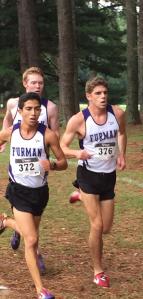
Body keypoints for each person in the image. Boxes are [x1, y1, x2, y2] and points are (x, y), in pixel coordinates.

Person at [60, 76, 127, 288]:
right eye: (98, 93)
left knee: (106, 228)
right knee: (96, 225)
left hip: (108, 177)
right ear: (88, 96)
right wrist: (76, 152)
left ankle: (79, 196)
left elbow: (122, 133)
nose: (103, 97)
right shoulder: (79, 120)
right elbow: (61, 147)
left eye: (105, 93)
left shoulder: (117, 114)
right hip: (88, 176)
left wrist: (121, 154)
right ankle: (98, 271)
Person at [0, 92, 67, 299]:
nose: (33, 113)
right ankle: (41, 290)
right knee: (31, 239)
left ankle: (5, 222)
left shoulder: (47, 135)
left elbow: (63, 162)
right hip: (18, 190)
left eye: (37, 109)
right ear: (20, 111)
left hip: (39, 193)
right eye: (28, 109)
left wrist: (52, 165)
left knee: (32, 238)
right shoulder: (10, 133)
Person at [0, 67, 59, 272]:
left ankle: (12, 225)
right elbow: (7, 121)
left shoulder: (50, 107)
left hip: (39, 167)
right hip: (18, 165)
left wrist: (49, 159)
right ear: (25, 83)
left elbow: (54, 133)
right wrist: (4, 140)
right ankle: (36, 253)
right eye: (33, 82)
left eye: (41, 83)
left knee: (35, 214)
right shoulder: (14, 104)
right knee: (30, 228)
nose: (37, 86)